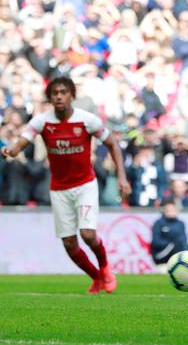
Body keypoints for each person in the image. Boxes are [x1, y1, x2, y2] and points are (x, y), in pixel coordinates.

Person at [1, 76, 131, 294]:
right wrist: (12, 150)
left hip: (85, 185)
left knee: (88, 235)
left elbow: (112, 145)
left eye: (63, 92)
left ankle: (106, 269)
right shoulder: (42, 121)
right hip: (59, 189)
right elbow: (23, 141)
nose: (59, 96)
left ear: (71, 95)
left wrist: (122, 177)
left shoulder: (88, 120)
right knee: (69, 244)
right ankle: (97, 278)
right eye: (55, 93)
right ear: (50, 97)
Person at [151, 197, 188, 269]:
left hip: (180, 250)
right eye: (169, 210)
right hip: (163, 254)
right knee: (177, 242)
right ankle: (184, 262)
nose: (171, 212)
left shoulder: (180, 223)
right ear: (164, 210)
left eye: (173, 209)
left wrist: (185, 249)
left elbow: (184, 240)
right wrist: (171, 243)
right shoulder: (159, 223)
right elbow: (156, 242)